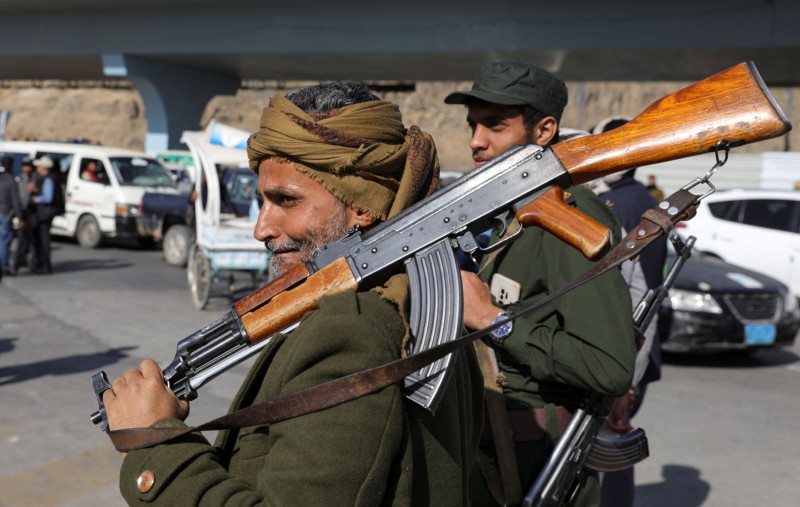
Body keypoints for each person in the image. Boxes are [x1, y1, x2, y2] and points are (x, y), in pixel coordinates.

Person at [102, 82, 483, 506]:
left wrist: (155, 442)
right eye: (263, 201)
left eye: (285, 200)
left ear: (362, 204)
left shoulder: (352, 332)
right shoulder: (408, 302)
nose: (261, 228)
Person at [444, 61, 636, 506]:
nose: (476, 141)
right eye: (474, 124)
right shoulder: (505, 212)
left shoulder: (567, 220)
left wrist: (496, 320)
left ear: (544, 129)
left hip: (536, 463)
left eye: (495, 125)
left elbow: (608, 367)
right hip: (488, 452)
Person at [590, 116, 667, 507]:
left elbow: (632, 291)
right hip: (636, 345)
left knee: (610, 443)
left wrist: (625, 372)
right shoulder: (644, 199)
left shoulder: (616, 205)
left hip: (626, 347)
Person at [30, 156, 61, 274]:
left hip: (45, 213)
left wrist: (35, 199)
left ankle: (45, 265)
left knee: (44, 240)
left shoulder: (48, 179)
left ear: (43, 168)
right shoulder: (46, 178)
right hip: (45, 213)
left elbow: (47, 198)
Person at [11, 158, 38, 274]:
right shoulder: (19, 180)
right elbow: (17, 199)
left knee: (33, 242)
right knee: (21, 241)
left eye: (29, 166)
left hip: (33, 213)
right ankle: (16, 265)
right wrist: (18, 215)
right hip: (23, 212)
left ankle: (31, 264)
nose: (27, 168)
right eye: (25, 166)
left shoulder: (35, 179)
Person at [0, 156, 24, 277]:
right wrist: (19, 216)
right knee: (4, 242)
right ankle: (4, 267)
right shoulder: (10, 180)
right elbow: (15, 200)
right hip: (4, 213)